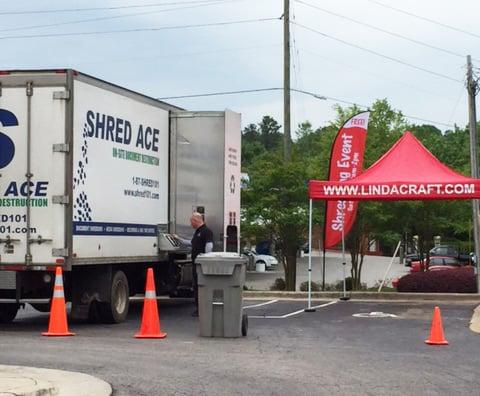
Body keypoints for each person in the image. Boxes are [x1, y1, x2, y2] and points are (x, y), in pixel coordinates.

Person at [177, 212, 213, 317]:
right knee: (196, 286)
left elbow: (209, 246)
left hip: (201, 265)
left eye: (191, 221)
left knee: (201, 286)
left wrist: (205, 260)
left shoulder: (206, 231)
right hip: (196, 263)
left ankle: (202, 309)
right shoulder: (197, 232)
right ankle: (199, 308)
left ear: (196, 220)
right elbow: (191, 243)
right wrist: (178, 239)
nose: (190, 224)